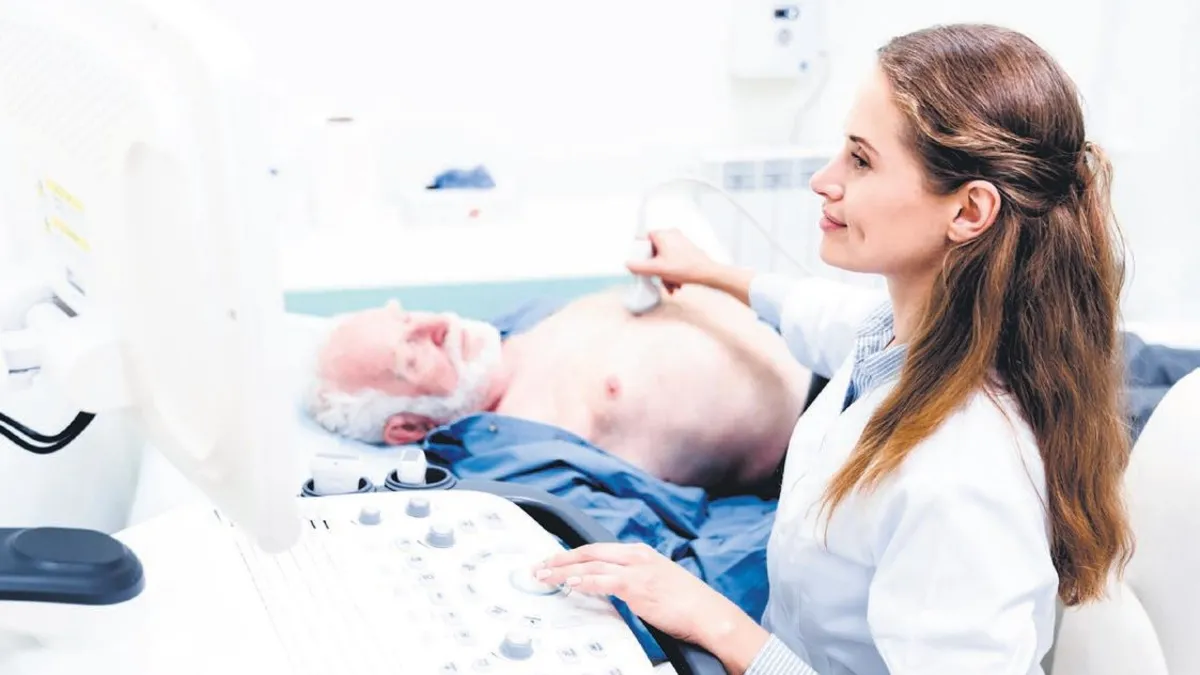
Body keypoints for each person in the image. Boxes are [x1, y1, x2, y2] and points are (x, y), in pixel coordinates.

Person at [533, 23, 1136, 675]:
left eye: (861, 160)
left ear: (968, 211)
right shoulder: (912, 334)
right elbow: (820, 314)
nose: (824, 180)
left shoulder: (961, 477)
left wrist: (718, 623)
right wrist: (708, 272)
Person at [305, 281, 813, 492]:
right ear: (409, 427)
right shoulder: (524, 458)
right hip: (816, 447)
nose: (436, 324)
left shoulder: (521, 328)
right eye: (413, 357)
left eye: (409, 318)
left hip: (823, 348)